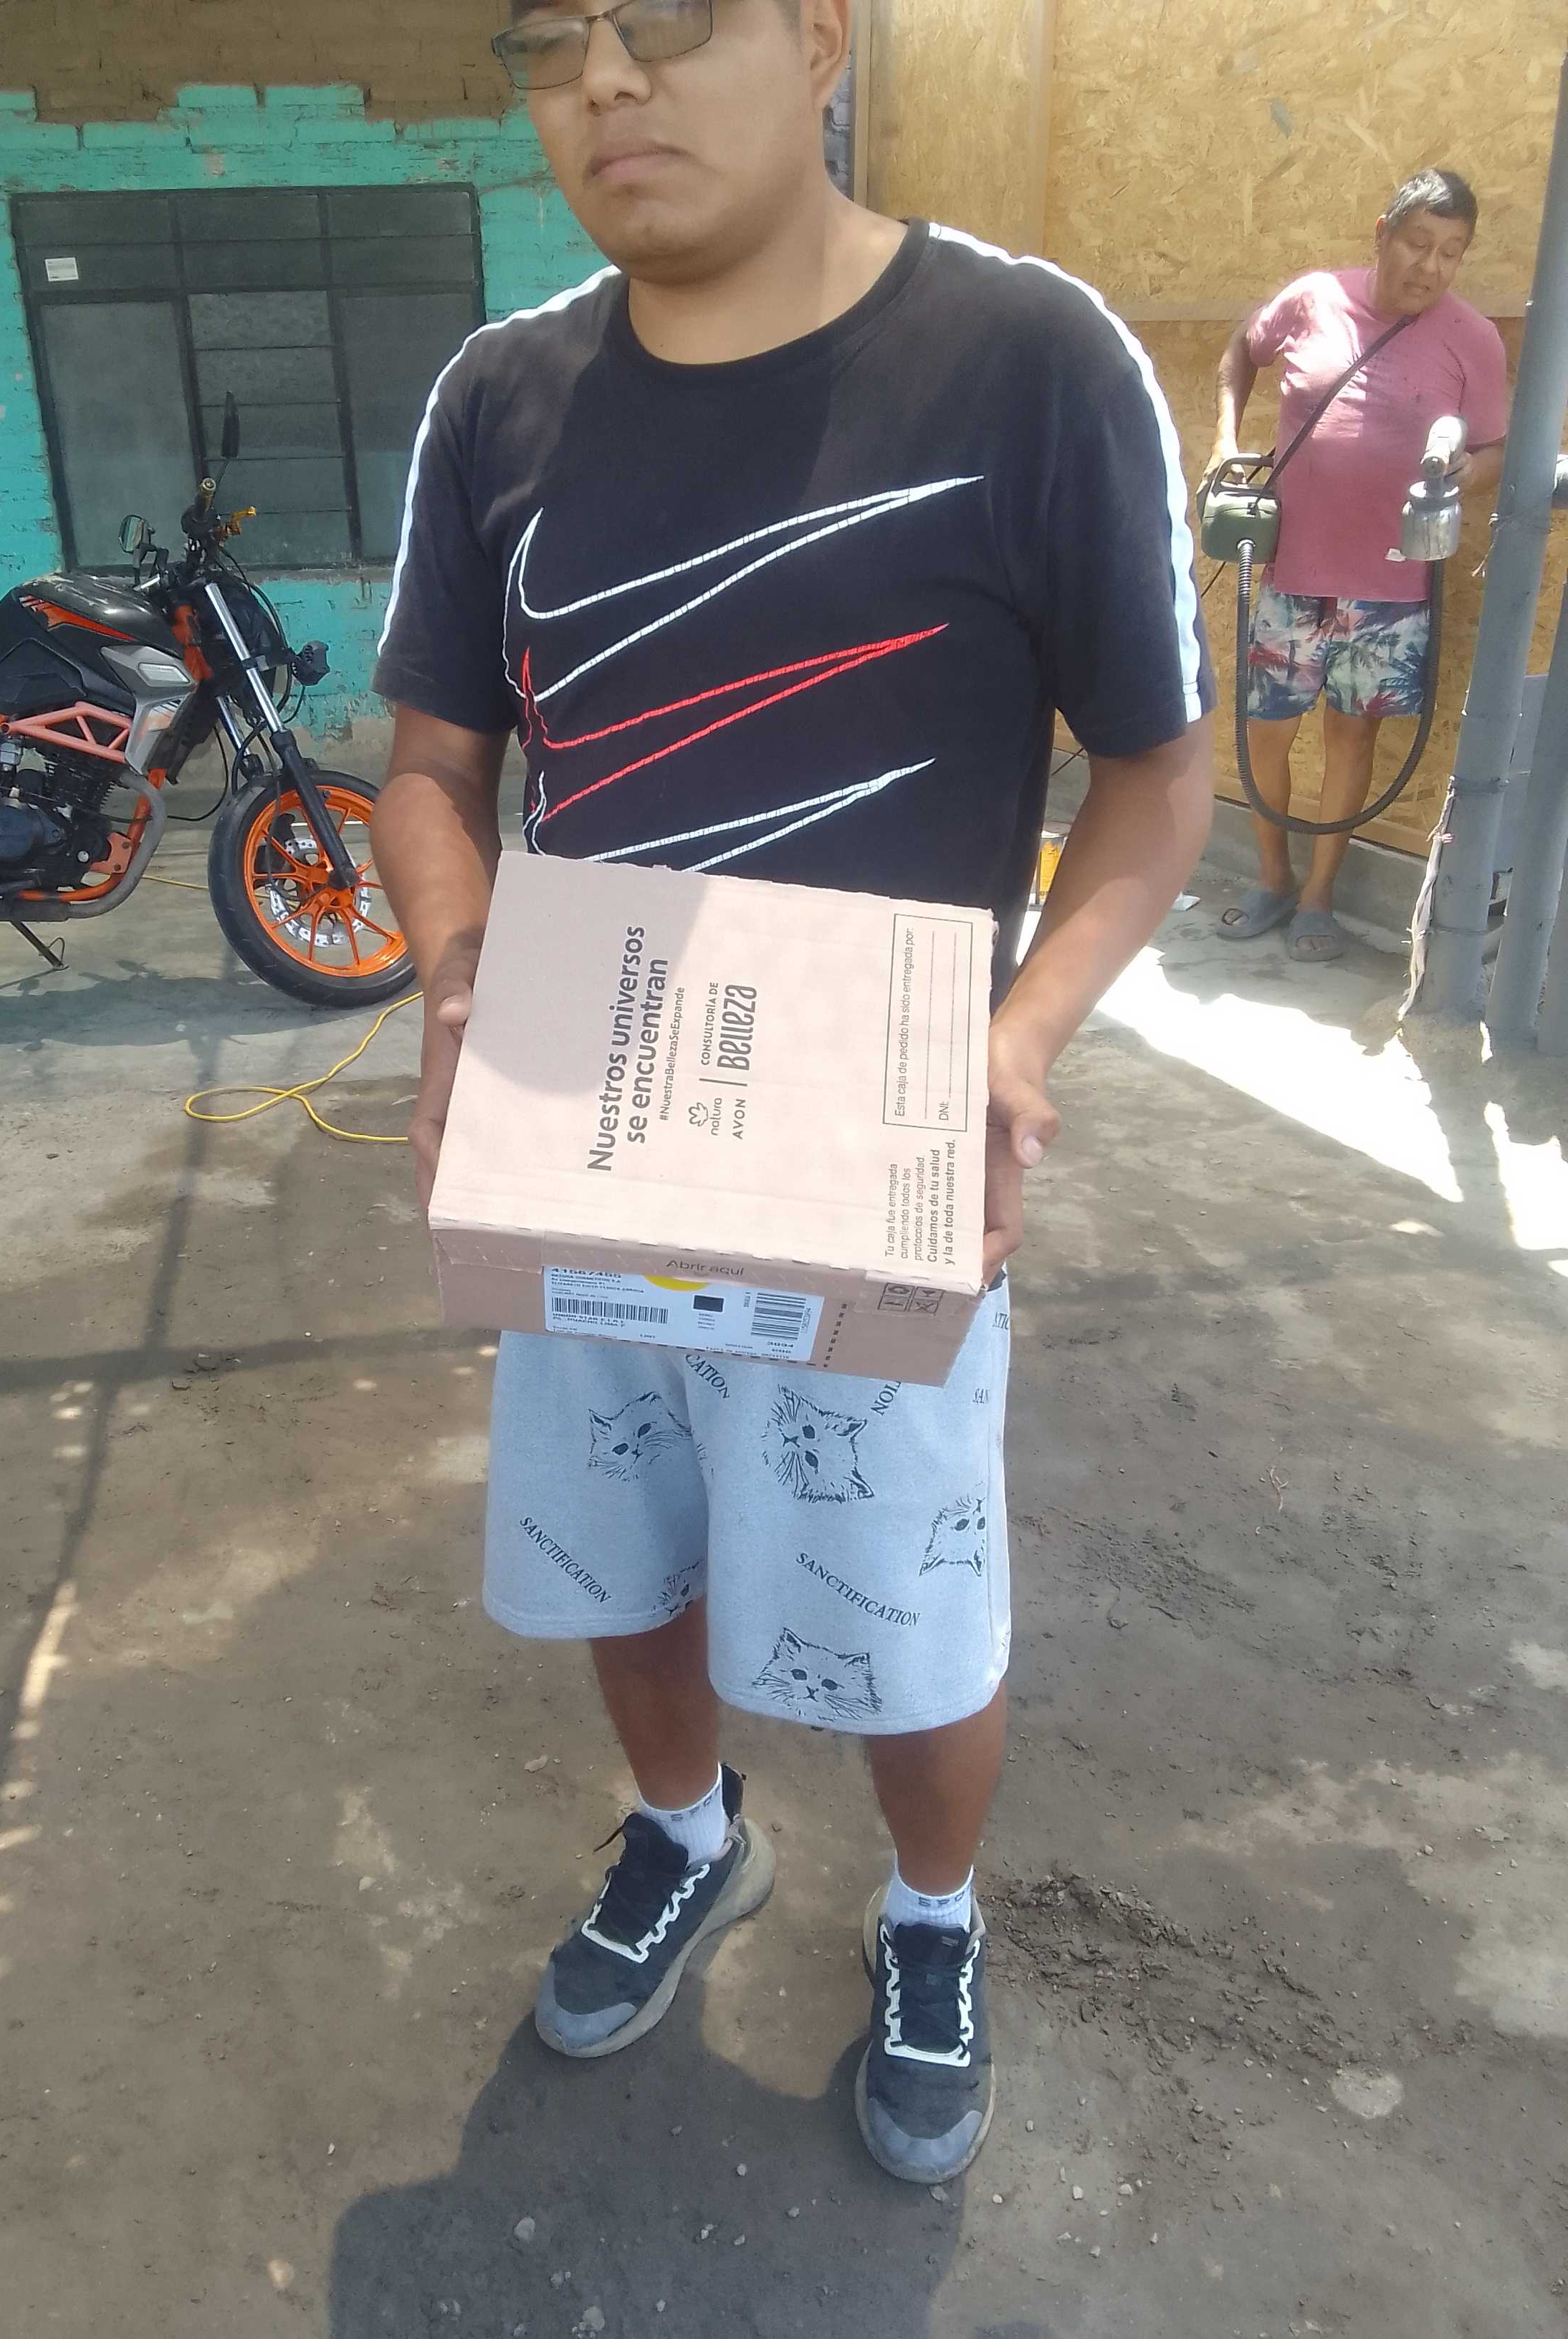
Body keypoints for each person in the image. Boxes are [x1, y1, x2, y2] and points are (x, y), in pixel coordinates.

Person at [370, 0, 1214, 2186]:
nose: (606, 79)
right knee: (619, 1550)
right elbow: (436, 760)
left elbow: (1156, 774)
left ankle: (931, 1917)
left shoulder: (1027, 365)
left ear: (823, 34)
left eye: (667, 16)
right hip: (589, 1120)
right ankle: (687, 1831)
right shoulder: (500, 399)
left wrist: (1017, 1043)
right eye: (551, 35)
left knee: (904, 1607)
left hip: (878, 1155)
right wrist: (460, 972)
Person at [1208, 166, 1509, 961]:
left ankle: (1318, 897)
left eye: (1451, 252)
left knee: (1351, 740)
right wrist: (1224, 439)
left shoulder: (1472, 338)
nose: (1431, 267)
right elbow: (1242, 347)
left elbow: (1495, 451)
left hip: (1392, 587)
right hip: (1292, 574)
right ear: (1383, 234)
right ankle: (1273, 878)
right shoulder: (1315, 300)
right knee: (1265, 735)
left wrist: (1463, 473)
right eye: (1418, 243)